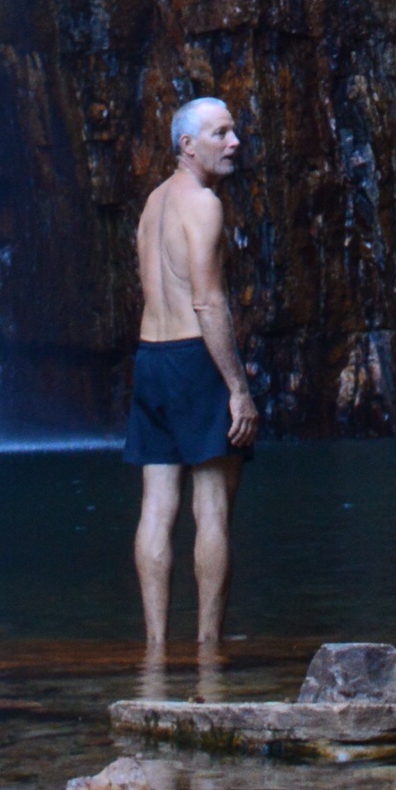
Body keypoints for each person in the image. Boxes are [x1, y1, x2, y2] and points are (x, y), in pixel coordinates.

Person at [128, 90, 259, 663]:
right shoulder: (203, 204)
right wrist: (238, 389)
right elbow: (207, 302)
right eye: (220, 134)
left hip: (151, 358)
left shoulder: (153, 202)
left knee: (157, 508)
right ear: (187, 144)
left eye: (233, 131)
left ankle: (155, 648)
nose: (234, 143)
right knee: (212, 507)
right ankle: (208, 648)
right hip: (192, 357)